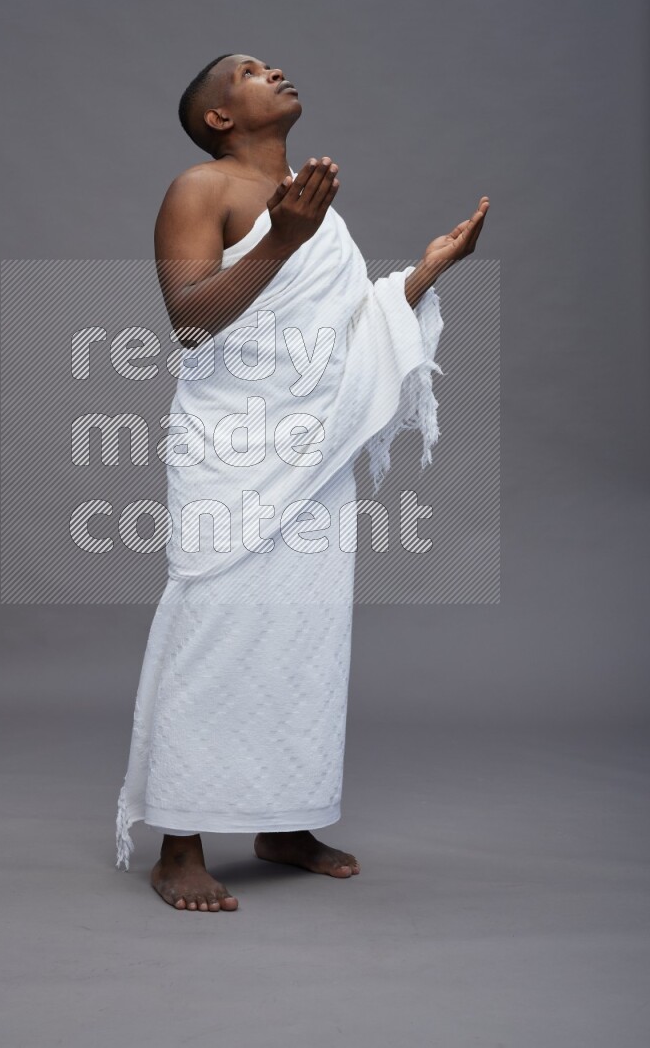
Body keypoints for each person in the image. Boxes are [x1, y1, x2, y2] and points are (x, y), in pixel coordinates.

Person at [115, 53, 489, 912]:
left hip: (314, 454)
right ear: (219, 116)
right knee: (216, 626)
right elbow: (190, 321)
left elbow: (351, 326)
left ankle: (285, 819)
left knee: (306, 637)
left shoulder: (321, 214)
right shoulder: (200, 188)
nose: (274, 69)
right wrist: (282, 238)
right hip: (233, 448)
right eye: (250, 70)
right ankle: (180, 842)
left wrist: (427, 272)